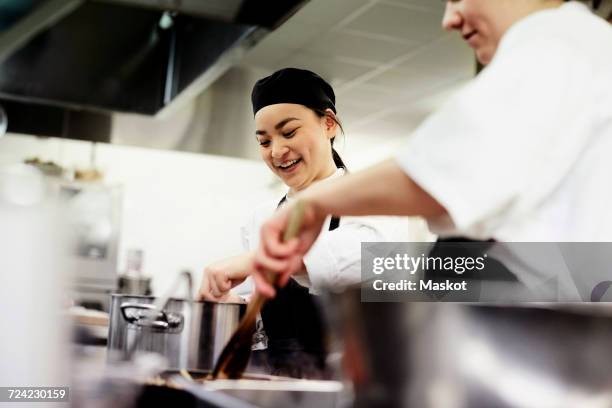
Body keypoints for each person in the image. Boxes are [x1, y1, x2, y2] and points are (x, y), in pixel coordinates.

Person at [252, 0, 612, 299]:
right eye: (264, 141)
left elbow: (440, 178)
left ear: (329, 124)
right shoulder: (587, 49)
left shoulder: (555, 43)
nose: (448, 19)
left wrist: (315, 207)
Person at [198, 68, 417, 377]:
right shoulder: (262, 217)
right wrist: (234, 308)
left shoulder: (373, 203)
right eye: (264, 142)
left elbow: (367, 260)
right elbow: (265, 323)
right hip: (280, 382)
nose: (276, 151)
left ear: (328, 124)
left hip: (352, 383)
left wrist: (261, 260)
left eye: (289, 133)